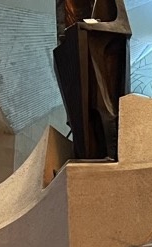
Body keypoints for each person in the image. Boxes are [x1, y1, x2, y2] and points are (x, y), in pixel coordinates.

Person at [54, 0, 132, 160]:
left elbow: (123, 26)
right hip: (78, 51)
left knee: (106, 110)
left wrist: (92, 27)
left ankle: (109, 154)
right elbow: (62, 31)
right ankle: (84, 153)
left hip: (105, 57)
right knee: (80, 113)